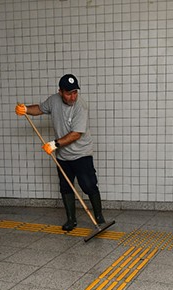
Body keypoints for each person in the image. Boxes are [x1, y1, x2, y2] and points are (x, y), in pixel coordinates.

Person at [15, 74, 108, 231]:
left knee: (88, 185)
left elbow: (76, 134)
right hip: (63, 156)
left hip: (81, 153)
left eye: (75, 92)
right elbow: (39, 108)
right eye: (69, 93)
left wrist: (54, 144)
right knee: (65, 186)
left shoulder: (81, 106)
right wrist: (26, 110)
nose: (73, 97)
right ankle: (71, 220)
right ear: (60, 92)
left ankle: (99, 217)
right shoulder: (54, 101)